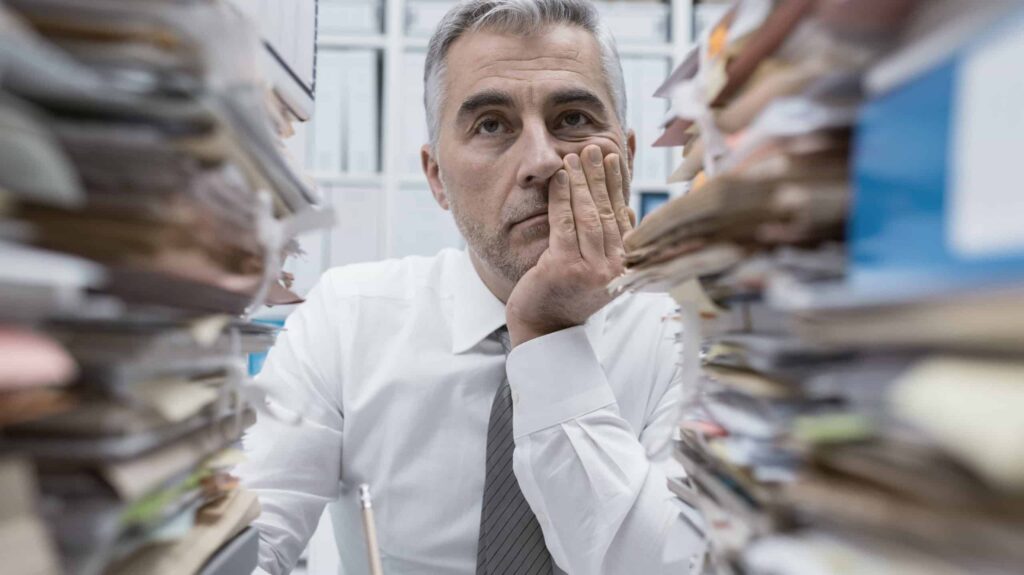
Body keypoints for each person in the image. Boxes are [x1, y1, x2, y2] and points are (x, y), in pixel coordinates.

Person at [238, 1, 704, 573]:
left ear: (627, 158)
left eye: (573, 120)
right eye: (491, 125)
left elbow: (668, 566)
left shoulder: (693, 333)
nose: (539, 161)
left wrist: (547, 337)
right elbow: (249, 543)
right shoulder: (346, 318)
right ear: (437, 177)